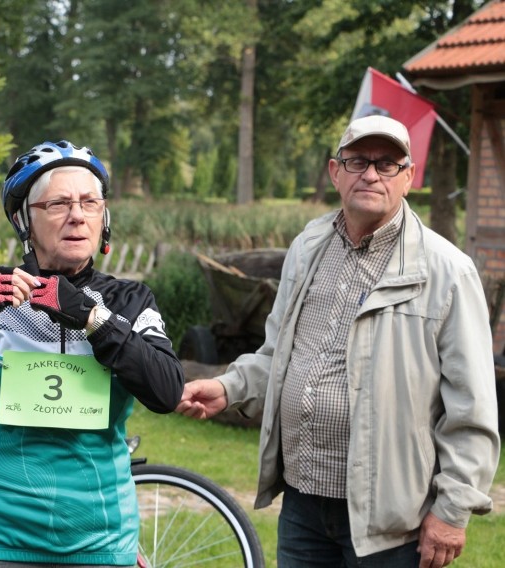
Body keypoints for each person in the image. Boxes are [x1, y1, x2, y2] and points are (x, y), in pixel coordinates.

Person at [176, 115, 500, 568]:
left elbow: (473, 407)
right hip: (304, 505)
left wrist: (452, 510)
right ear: (335, 171)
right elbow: (279, 356)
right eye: (358, 161)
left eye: (387, 164)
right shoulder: (308, 247)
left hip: (393, 521)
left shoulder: (447, 271)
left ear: (408, 178)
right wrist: (229, 387)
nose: (370, 174)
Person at [0, 140, 185, 567]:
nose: (77, 215)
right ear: (23, 220)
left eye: (90, 202)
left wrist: (93, 319)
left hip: (98, 542)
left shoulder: (129, 301)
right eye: (58, 204)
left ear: (103, 217)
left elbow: (166, 391)